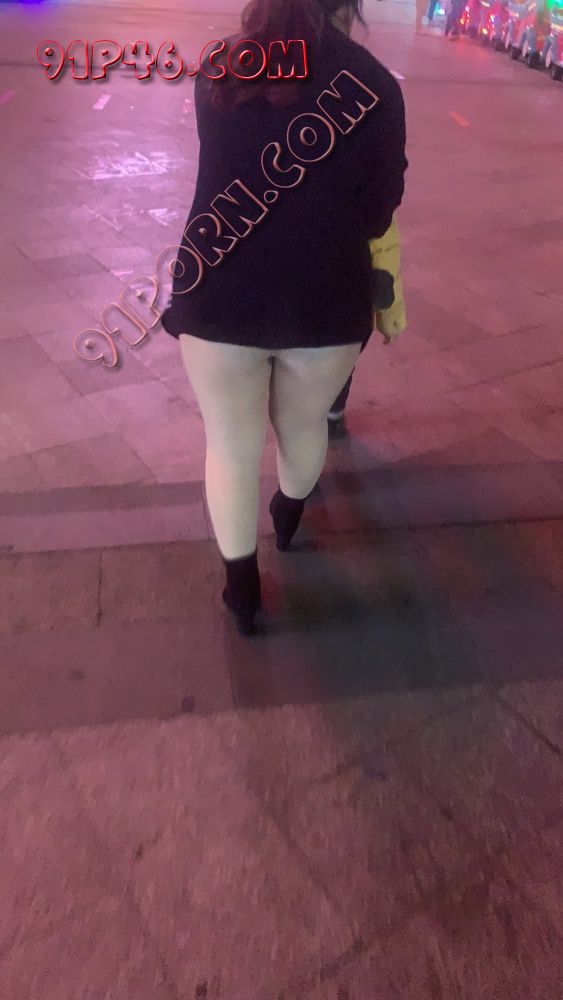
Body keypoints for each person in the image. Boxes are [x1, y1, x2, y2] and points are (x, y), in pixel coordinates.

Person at [161, 0, 408, 635]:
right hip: (325, 303)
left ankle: (242, 589)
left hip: (217, 293)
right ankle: (289, 513)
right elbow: (381, 208)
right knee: (303, 427)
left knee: (230, 444)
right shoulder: (374, 83)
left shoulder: (221, 66)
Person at [328, 215, 407, 436]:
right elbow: (384, 253)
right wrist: (390, 318)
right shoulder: (369, 198)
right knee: (342, 362)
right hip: (350, 307)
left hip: (297, 309)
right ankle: (333, 415)